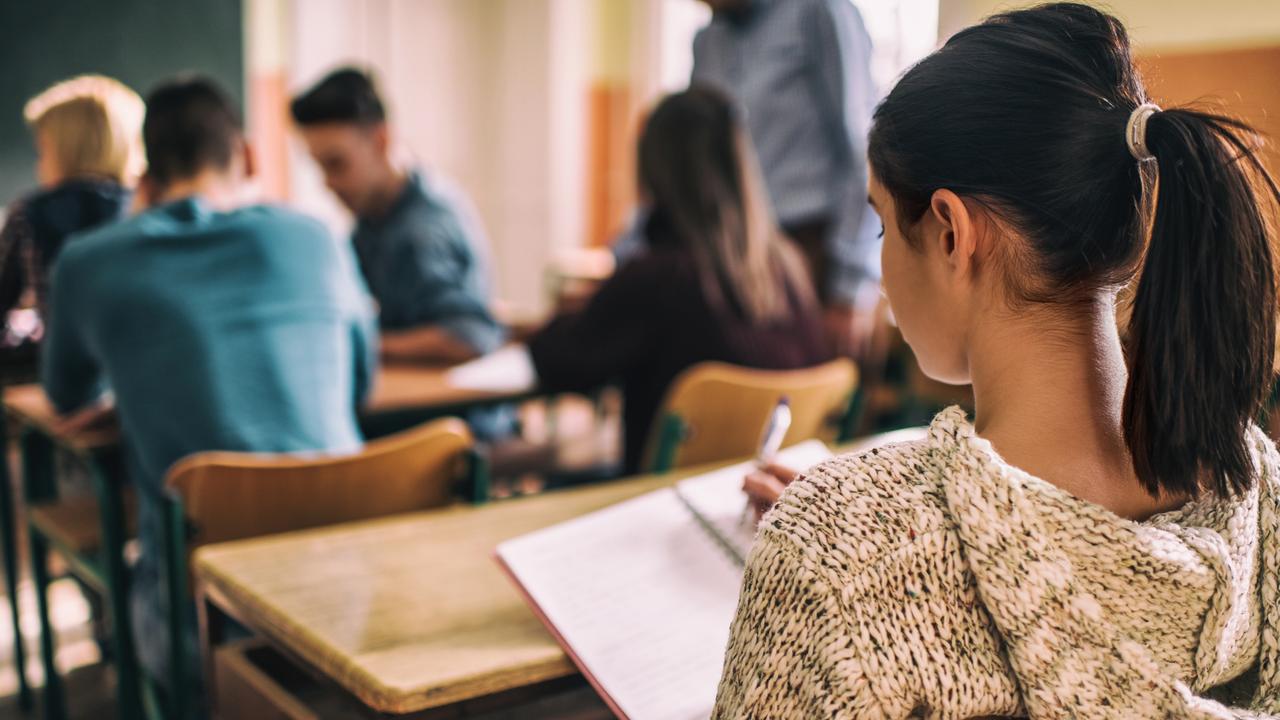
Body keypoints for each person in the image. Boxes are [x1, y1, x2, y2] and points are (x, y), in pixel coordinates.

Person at [716, 4, 1280, 717]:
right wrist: (875, 516)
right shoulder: (1259, 488)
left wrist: (838, 537)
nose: (881, 263)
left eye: (883, 222)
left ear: (951, 233)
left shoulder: (834, 550)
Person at [41, 76, 377, 689]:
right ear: (248, 155)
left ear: (145, 177)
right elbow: (360, 382)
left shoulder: (89, 261)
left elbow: (67, 396)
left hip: (198, 622)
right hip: (350, 598)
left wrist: (143, 385)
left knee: (128, 566)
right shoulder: (317, 236)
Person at [529, 87, 830, 474]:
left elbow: (556, 362)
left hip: (658, 506)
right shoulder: (790, 268)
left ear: (653, 171)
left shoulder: (658, 277)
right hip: (758, 506)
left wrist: (583, 311)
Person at [691, 0, 881, 358]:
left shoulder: (820, 11)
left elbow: (863, 150)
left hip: (813, 253)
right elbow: (693, 159)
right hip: (730, 252)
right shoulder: (707, 40)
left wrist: (850, 288)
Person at [290, 68, 503, 365]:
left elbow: (470, 335)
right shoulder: (371, 220)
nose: (328, 183)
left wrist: (362, 343)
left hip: (451, 409)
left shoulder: (425, 229)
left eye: (337, 164)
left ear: (380, 141)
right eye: (320, 167)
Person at [0, 75, 143, 331]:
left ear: (66, 151)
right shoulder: (149, 209)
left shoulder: (29, 216)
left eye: (41, 152)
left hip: (64, 362)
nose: (38, 165)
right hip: (137, 362)